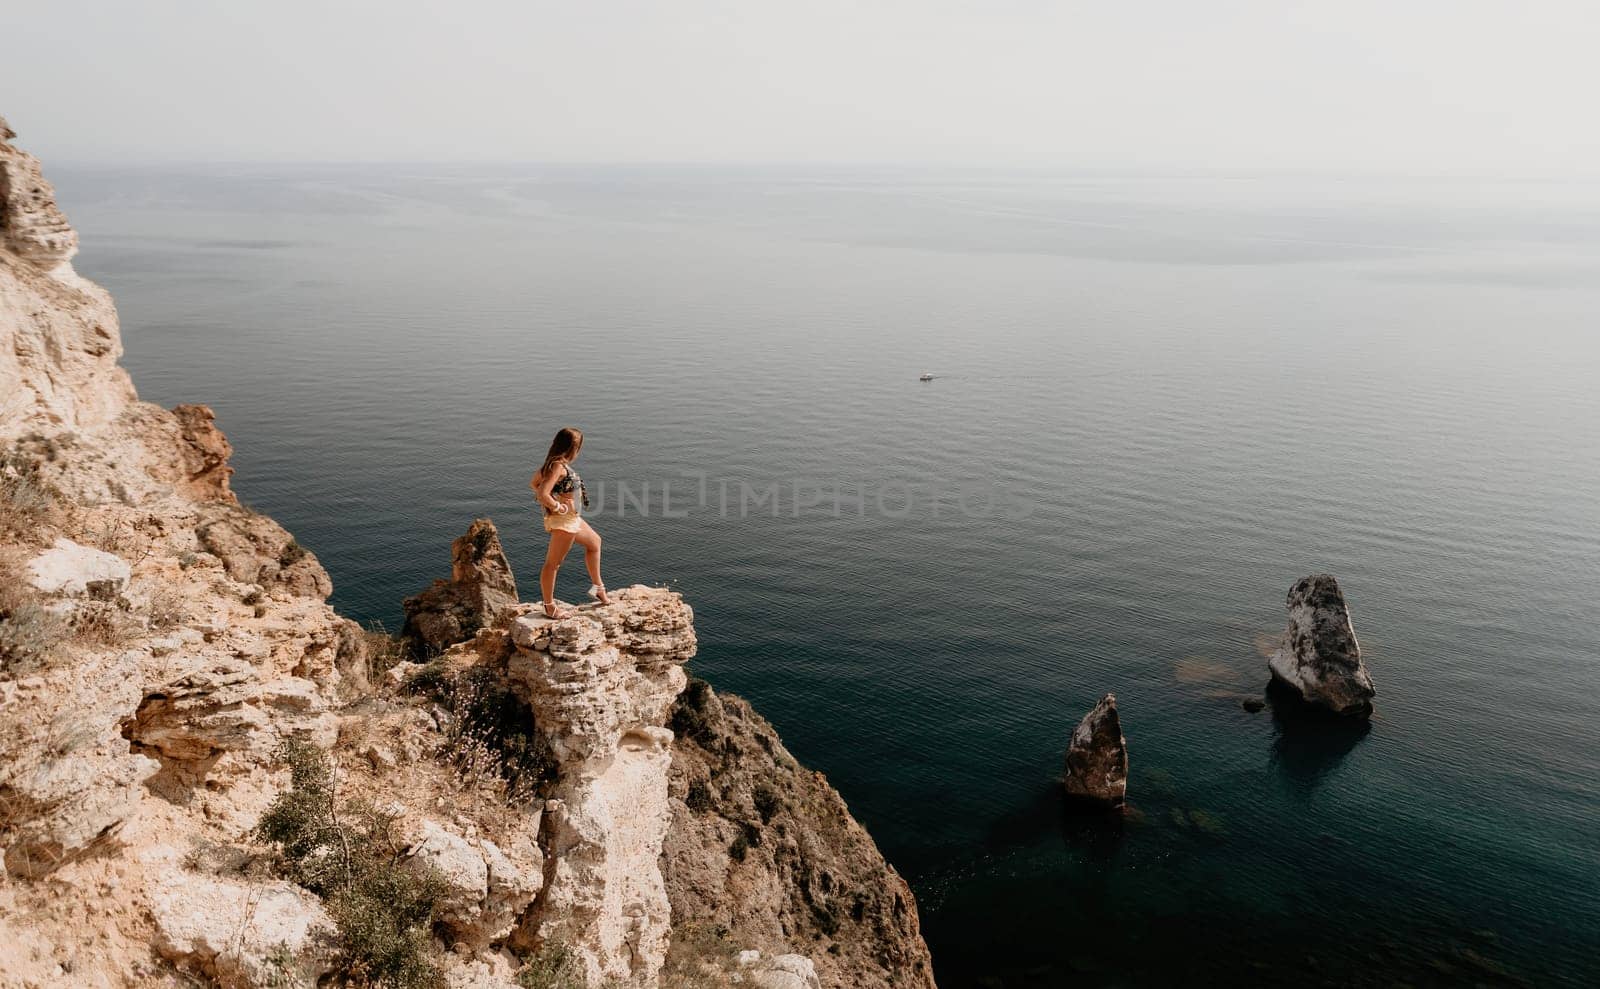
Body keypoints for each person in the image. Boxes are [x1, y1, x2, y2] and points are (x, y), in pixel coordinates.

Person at [529, 427, 609, 617]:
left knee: (595, 543)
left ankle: (598, 589)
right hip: (565, 521)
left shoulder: (554, 465)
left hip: (572, 518)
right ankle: (550, 607)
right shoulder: (557, 466)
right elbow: (541, 493)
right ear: (573, 447)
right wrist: (558, 506)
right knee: (553, 564)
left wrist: (557, 499)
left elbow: (534, 483)